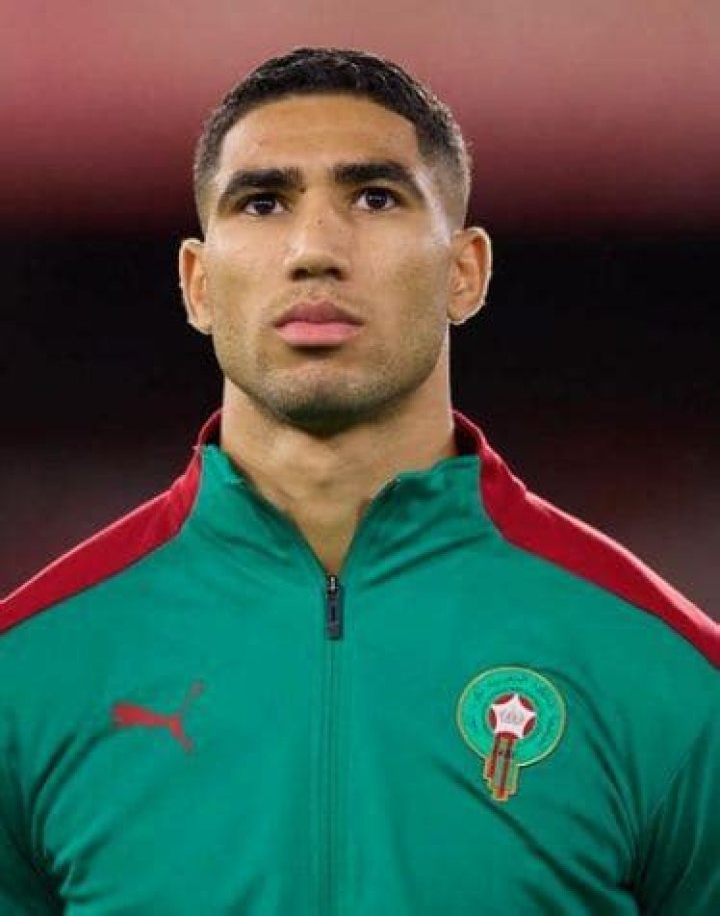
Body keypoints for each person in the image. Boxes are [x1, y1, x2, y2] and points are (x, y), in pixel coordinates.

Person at [0, 47, 718, 915]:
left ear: (466, 272)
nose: (314, 250)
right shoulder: (28, 672)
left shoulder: (669, 674)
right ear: (198, 284)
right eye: (263, 202)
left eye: (374, 198)